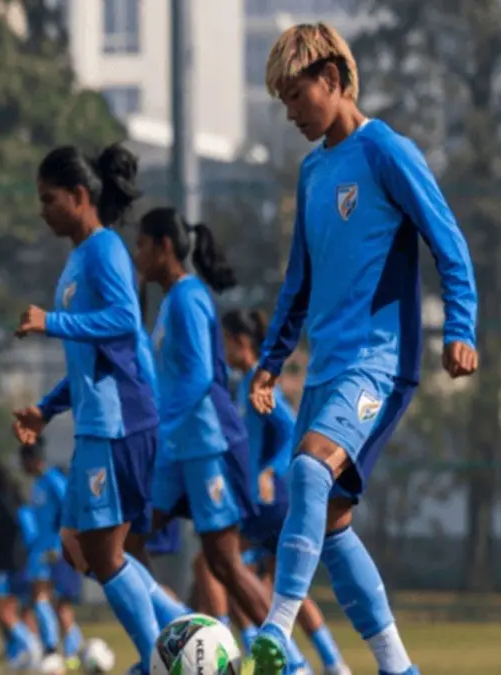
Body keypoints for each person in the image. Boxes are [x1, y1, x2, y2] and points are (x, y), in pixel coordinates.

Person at [251, 23, 477, 675]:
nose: (291, 113)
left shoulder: (386, 151)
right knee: (330, 519)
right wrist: (271, 359)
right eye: (284, 102)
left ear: (332, 79)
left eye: (296, 96)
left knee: (307, 473)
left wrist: (461, 327)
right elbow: (299, 278)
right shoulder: (314, 169)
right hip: (326, 365)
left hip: (380, 359)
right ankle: (397, 666)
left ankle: (277, 629)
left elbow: (449, 240)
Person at [134, 206, 313, 671]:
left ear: (164, 248)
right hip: (176, 449)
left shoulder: (189, 298)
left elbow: (197, 379)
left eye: (141, 245)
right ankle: (168, 646)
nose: (136, 255)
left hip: (204, 445)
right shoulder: (170, 301)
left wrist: (158, 426)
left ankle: (293, 664)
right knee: (127, 537)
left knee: (224, 562)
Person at [10, 144, 164, 674]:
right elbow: (87, 359)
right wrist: (47, 409)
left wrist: (50, 321)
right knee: (77, 544)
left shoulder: (104, 251)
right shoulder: (78, 261)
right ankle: (185, 638)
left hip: (122, 417)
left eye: (48, 199)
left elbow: (124, 321)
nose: (42, 209)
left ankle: (161, 660)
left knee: (102, 550)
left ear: (78, 197)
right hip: (98, 421)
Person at [221, 309, 351, 675]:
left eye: (225, 340)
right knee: (283, 587)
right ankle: (331, 662)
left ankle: (275, 661)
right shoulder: (245, 384)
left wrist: (269, 470)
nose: (223, 348)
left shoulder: (259, 385)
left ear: (240, 343)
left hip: (271, 500)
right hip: (264, 500)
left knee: (220, 564)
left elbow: (292, 430)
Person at [0, 460, 40, 668]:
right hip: (12, 562)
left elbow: (19, 527)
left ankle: (30, 646)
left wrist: (16, 554)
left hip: (10, 563)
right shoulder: (4, 498)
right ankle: (19, 651)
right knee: (15, 608)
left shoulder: (3, 500)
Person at [16, 443, 76, 663]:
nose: (22, 466)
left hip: (53, 549)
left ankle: (56, 648)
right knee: (40, 598)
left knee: (46, 598)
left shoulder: (52, 479)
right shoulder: (37, 485)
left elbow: (68, 508)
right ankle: (62, 649)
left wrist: (59, 545)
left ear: (32, 459)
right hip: (39, 549)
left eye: (23, 461)